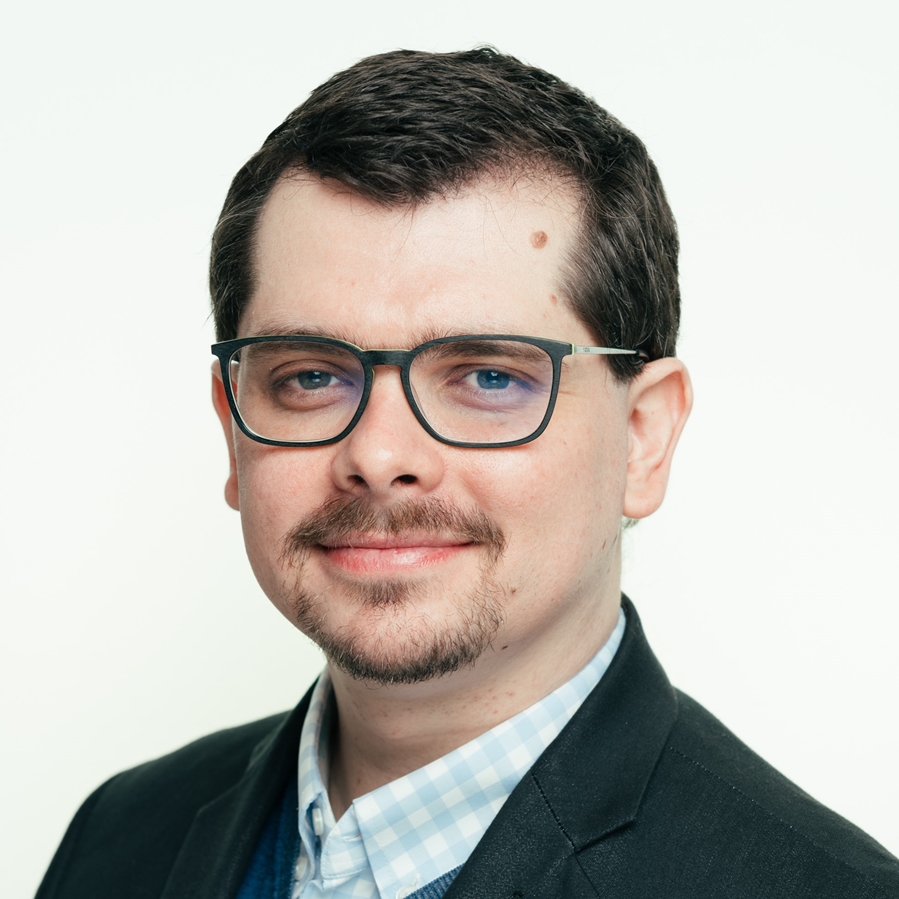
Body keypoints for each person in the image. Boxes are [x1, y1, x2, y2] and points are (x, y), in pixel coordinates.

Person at [36, 47, 899, 899]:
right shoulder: (119, 835)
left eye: (488, 376)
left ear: (641, 438)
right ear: (233, 433)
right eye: (309, 376)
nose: (379, 457)